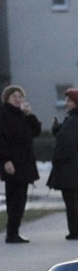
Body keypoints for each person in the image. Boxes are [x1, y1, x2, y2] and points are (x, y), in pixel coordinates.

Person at [49, 88, 78, 240]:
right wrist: (59, 130)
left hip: (72, 164)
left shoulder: (75, 120)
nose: (66, 103)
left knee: (71, 198)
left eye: (69, 101)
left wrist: (57, 158)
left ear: (77, 103)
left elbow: (68, 143)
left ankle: (76, 232)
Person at [0, 84, 42, 243]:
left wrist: (29, 115)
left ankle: (14, 231)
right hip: (12, 162)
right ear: (7, 99)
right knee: (14, 199)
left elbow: (36, 131)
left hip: (25, 162)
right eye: (14, 97)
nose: (17, 99)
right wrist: (5, 160)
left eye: (20, 96)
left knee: (21, 198)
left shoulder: (22, 115)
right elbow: (1, 140)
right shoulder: (3, 114)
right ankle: (11, 233)